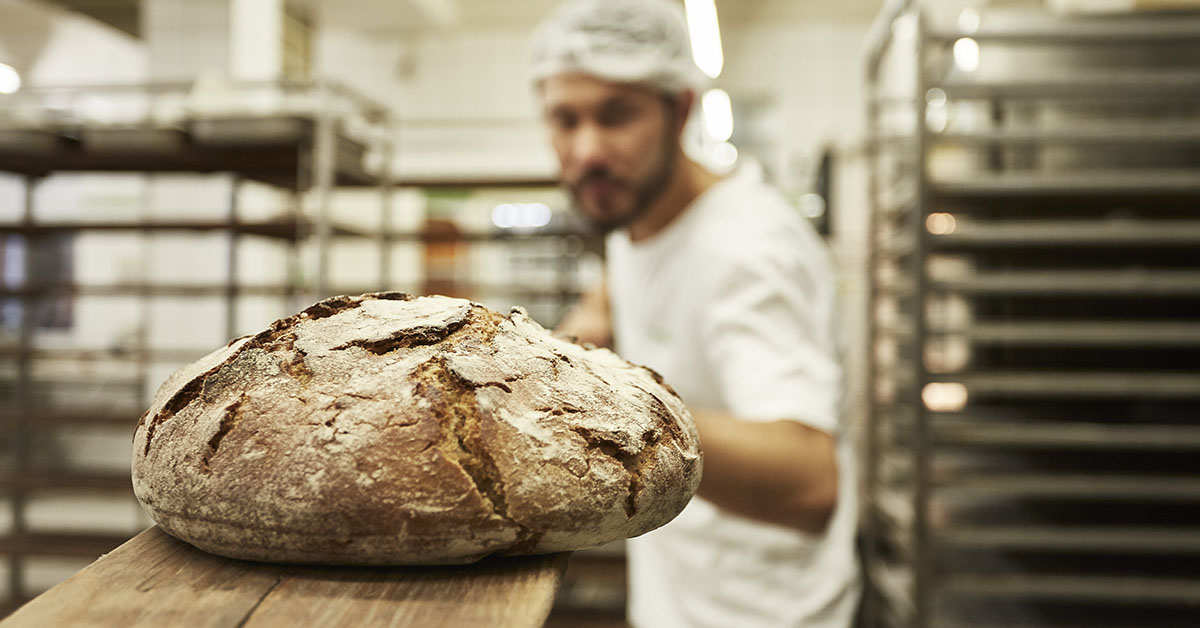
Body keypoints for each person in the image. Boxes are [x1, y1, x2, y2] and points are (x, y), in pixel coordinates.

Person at [528, 1, 860, 627]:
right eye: (564, 120)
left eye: (617, 115)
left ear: (680, 110)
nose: (588, 149)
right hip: (683, 598)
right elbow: (628, 277)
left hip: (763, 613)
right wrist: (587, 325)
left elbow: (810, 481)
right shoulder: (638, 215)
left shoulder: (748, 250)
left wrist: (603, 401)